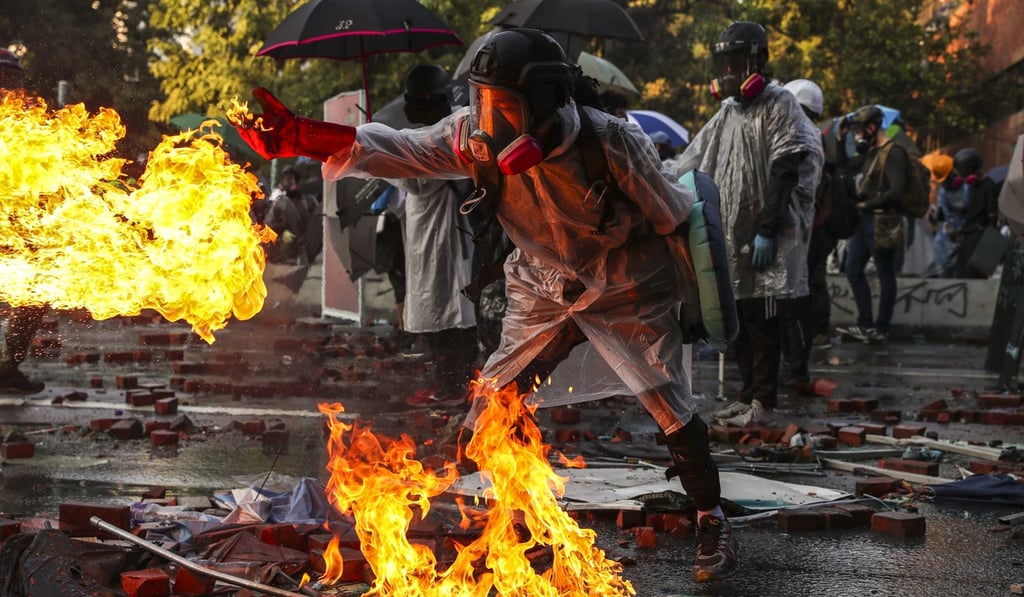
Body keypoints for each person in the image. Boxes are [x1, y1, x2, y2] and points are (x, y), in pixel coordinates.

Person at [232, 28, 738, 583]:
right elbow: (394, 148)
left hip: (623, 283)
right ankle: (517, 526)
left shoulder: (612, 141)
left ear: (543, 103)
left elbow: (670, 216)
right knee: (491, 413)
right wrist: (305, 137)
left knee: (667, 403)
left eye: (502, 105)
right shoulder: (471, 138)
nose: (486, 119)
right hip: (541, 285)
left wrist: (693, 297)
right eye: (479, 100)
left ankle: (712, 518)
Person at [671, 23, 823, 424]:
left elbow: (787, 168)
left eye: (737, 64)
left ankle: (764, 402)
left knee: (764, 319)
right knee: (736, 316)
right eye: (725, 65)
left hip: (766, 236)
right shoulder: (728, 113)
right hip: (732, 235)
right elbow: (691, 160)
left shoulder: (780, 106)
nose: (729, 74)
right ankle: (746, 394)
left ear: (758, 62)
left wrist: (768, 229)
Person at [386, 64, 479, 406]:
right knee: (436, 310)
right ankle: (450, 384)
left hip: (448, 229)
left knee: (452, 314)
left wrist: (391, 156)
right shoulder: (432, 132)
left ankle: (456, 386)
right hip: (426, 229)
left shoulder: (452, 131)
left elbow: (419, 180)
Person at [836, 105, 908, 345]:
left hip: (882, 220)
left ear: (872, 127)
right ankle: (865, 324)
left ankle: (881, 328)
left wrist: (867, 205)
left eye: (859, 129)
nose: (857, 134)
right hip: (863, 220)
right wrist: (841, 138)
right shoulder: (870, 153)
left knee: (885, 273)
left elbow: (896, 190)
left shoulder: (893, 152)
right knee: (852, 269)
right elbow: (844, 167)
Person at [0, 48, 47, 394]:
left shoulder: (27, 123)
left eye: (12, 79)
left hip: (19, 226)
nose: (7, 86)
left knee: (34, 294)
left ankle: (8, 367)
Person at [951, 148, 1000, 278]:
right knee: (962, 274)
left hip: (979, 236)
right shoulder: (971, 186)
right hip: (968, 234)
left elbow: (992, 214)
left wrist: (990, 242)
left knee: (976, 275)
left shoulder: (988, 185)